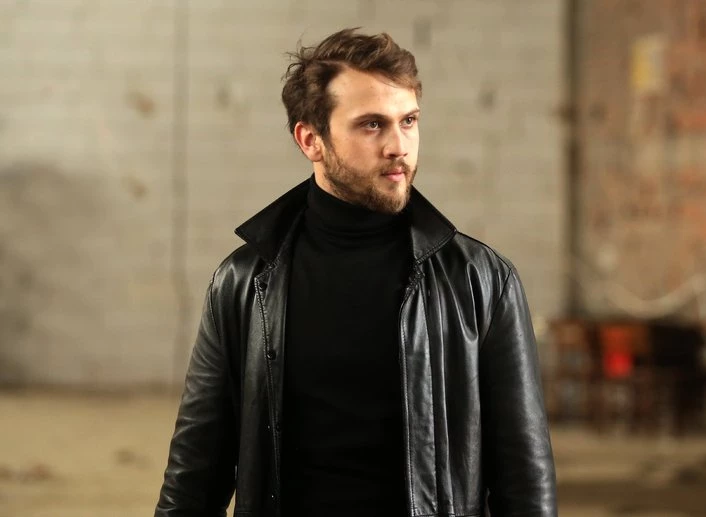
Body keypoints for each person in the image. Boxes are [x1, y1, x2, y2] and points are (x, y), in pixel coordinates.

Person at [154, 28, 556, 517]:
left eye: (408, 121)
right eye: (371, 125)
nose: (398, 146)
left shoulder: (481, 280)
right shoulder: (243, 283)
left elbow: (524, 478)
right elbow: (196, 468)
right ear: (311, 140)